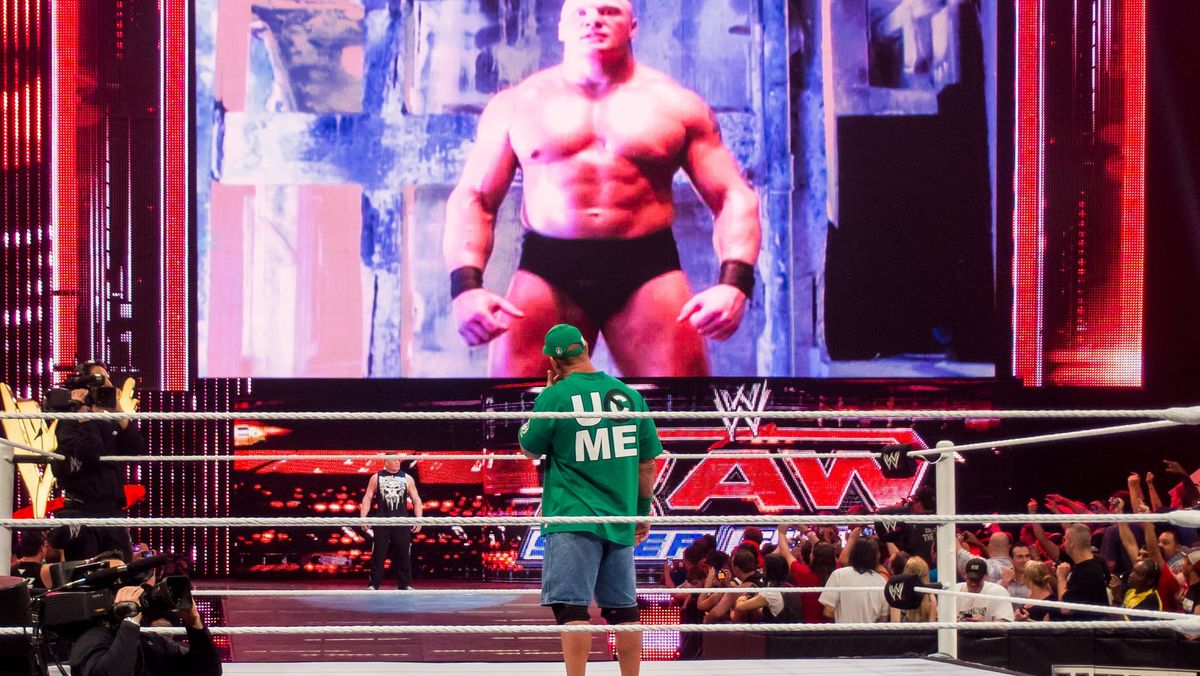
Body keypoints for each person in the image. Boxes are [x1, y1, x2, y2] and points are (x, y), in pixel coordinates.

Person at [443, 0, 762, 377]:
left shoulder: (676, 105)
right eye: (581, 12)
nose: (594, 19)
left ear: (634, 27)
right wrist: (465, 286)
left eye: (609, 11)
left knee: (680, 416)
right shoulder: (517, 105)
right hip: (549, 269)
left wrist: (735, 283)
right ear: (561, 28)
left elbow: (732, 196)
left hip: (647, 268)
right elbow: (475, 198)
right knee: (519, 419)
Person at [517, 323, 662, 676]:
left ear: (553, 360)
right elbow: (647, 463)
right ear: (585, 348)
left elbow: (528, 446)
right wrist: (641, 513)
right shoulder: (629, 396)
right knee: (624, 611)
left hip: (573, 517)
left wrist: (545, 398)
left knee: (571, 609)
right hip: (619, 519)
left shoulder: (555, 396)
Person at [50, 362, 145, 563]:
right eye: (101, 378)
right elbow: (90, 453)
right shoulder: (69, 421)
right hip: (83, 511)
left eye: (107, 377)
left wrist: (118, 409)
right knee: (88, 577)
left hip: (112, 511)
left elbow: (136, 447)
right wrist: (85, 414)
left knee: (121, 572)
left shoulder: (108, 420)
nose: (108, 383)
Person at [69, 583, 222, 676]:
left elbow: (207, 671)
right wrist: (129, 618)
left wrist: (195, 624)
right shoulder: (90, 639)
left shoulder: (151, 642)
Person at [359, 453, 423, 590]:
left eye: (398, 460)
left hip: (402, 522)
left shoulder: (407, 478)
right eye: (393, 460)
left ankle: (404, 584)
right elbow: (367, 498)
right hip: (382, 522)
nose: (397, 463)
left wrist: (419, 519)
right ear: (386, 462)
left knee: (403, 554)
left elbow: (417, 499)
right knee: (379, 554)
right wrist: (363, 517)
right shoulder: (376, 477)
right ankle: (374, 584)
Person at [818, 537, 888, 623]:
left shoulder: (839, 575)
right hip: (869, 634)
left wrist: (845, 615)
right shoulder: (882, 582)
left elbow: (828, 612)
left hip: (844, 633)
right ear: (876, 556)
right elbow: (883, 620)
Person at [956, 557, 1015, 622]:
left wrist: (983, 623)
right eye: (971, 579)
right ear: (964, 574)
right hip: (957, 630)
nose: (973, 584)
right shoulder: (955, 590)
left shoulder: (998, 591)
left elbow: (1004, 625)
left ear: (986, 576)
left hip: (987, 631)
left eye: (977, 580)